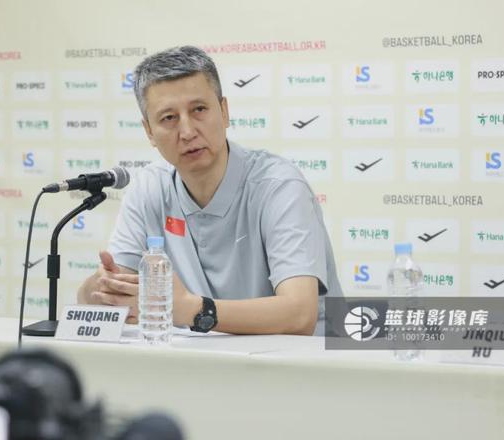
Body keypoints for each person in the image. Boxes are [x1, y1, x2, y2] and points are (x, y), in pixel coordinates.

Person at [78, 46, 341, 335]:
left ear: (224, 112)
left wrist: (193, 309)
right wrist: (104, 289)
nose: (188, 131)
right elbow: (97, 295)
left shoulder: (278, 186)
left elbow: (300, 314)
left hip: (306, 359)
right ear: (149, 132)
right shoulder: (149, 187)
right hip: (204, 358)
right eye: (169, 118)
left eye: (199, 110)